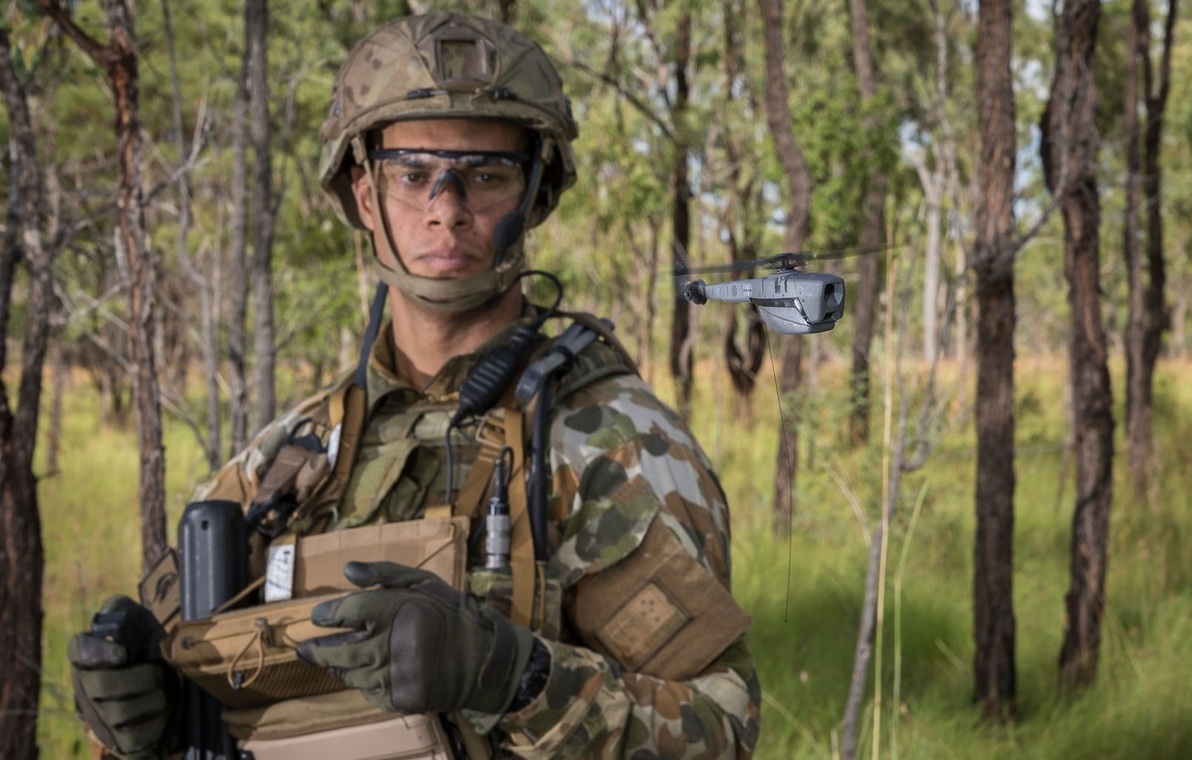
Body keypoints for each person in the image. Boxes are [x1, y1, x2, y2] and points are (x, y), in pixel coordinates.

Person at [69, 12, 760, 759]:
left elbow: (718, 728)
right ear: (365, 193)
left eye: (486, 176)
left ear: (533, 195)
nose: (447, 209)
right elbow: (177, 682)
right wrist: (143, 713)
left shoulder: (609, 445)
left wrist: (511, 677)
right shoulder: (288, 462)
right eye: (412, 173)